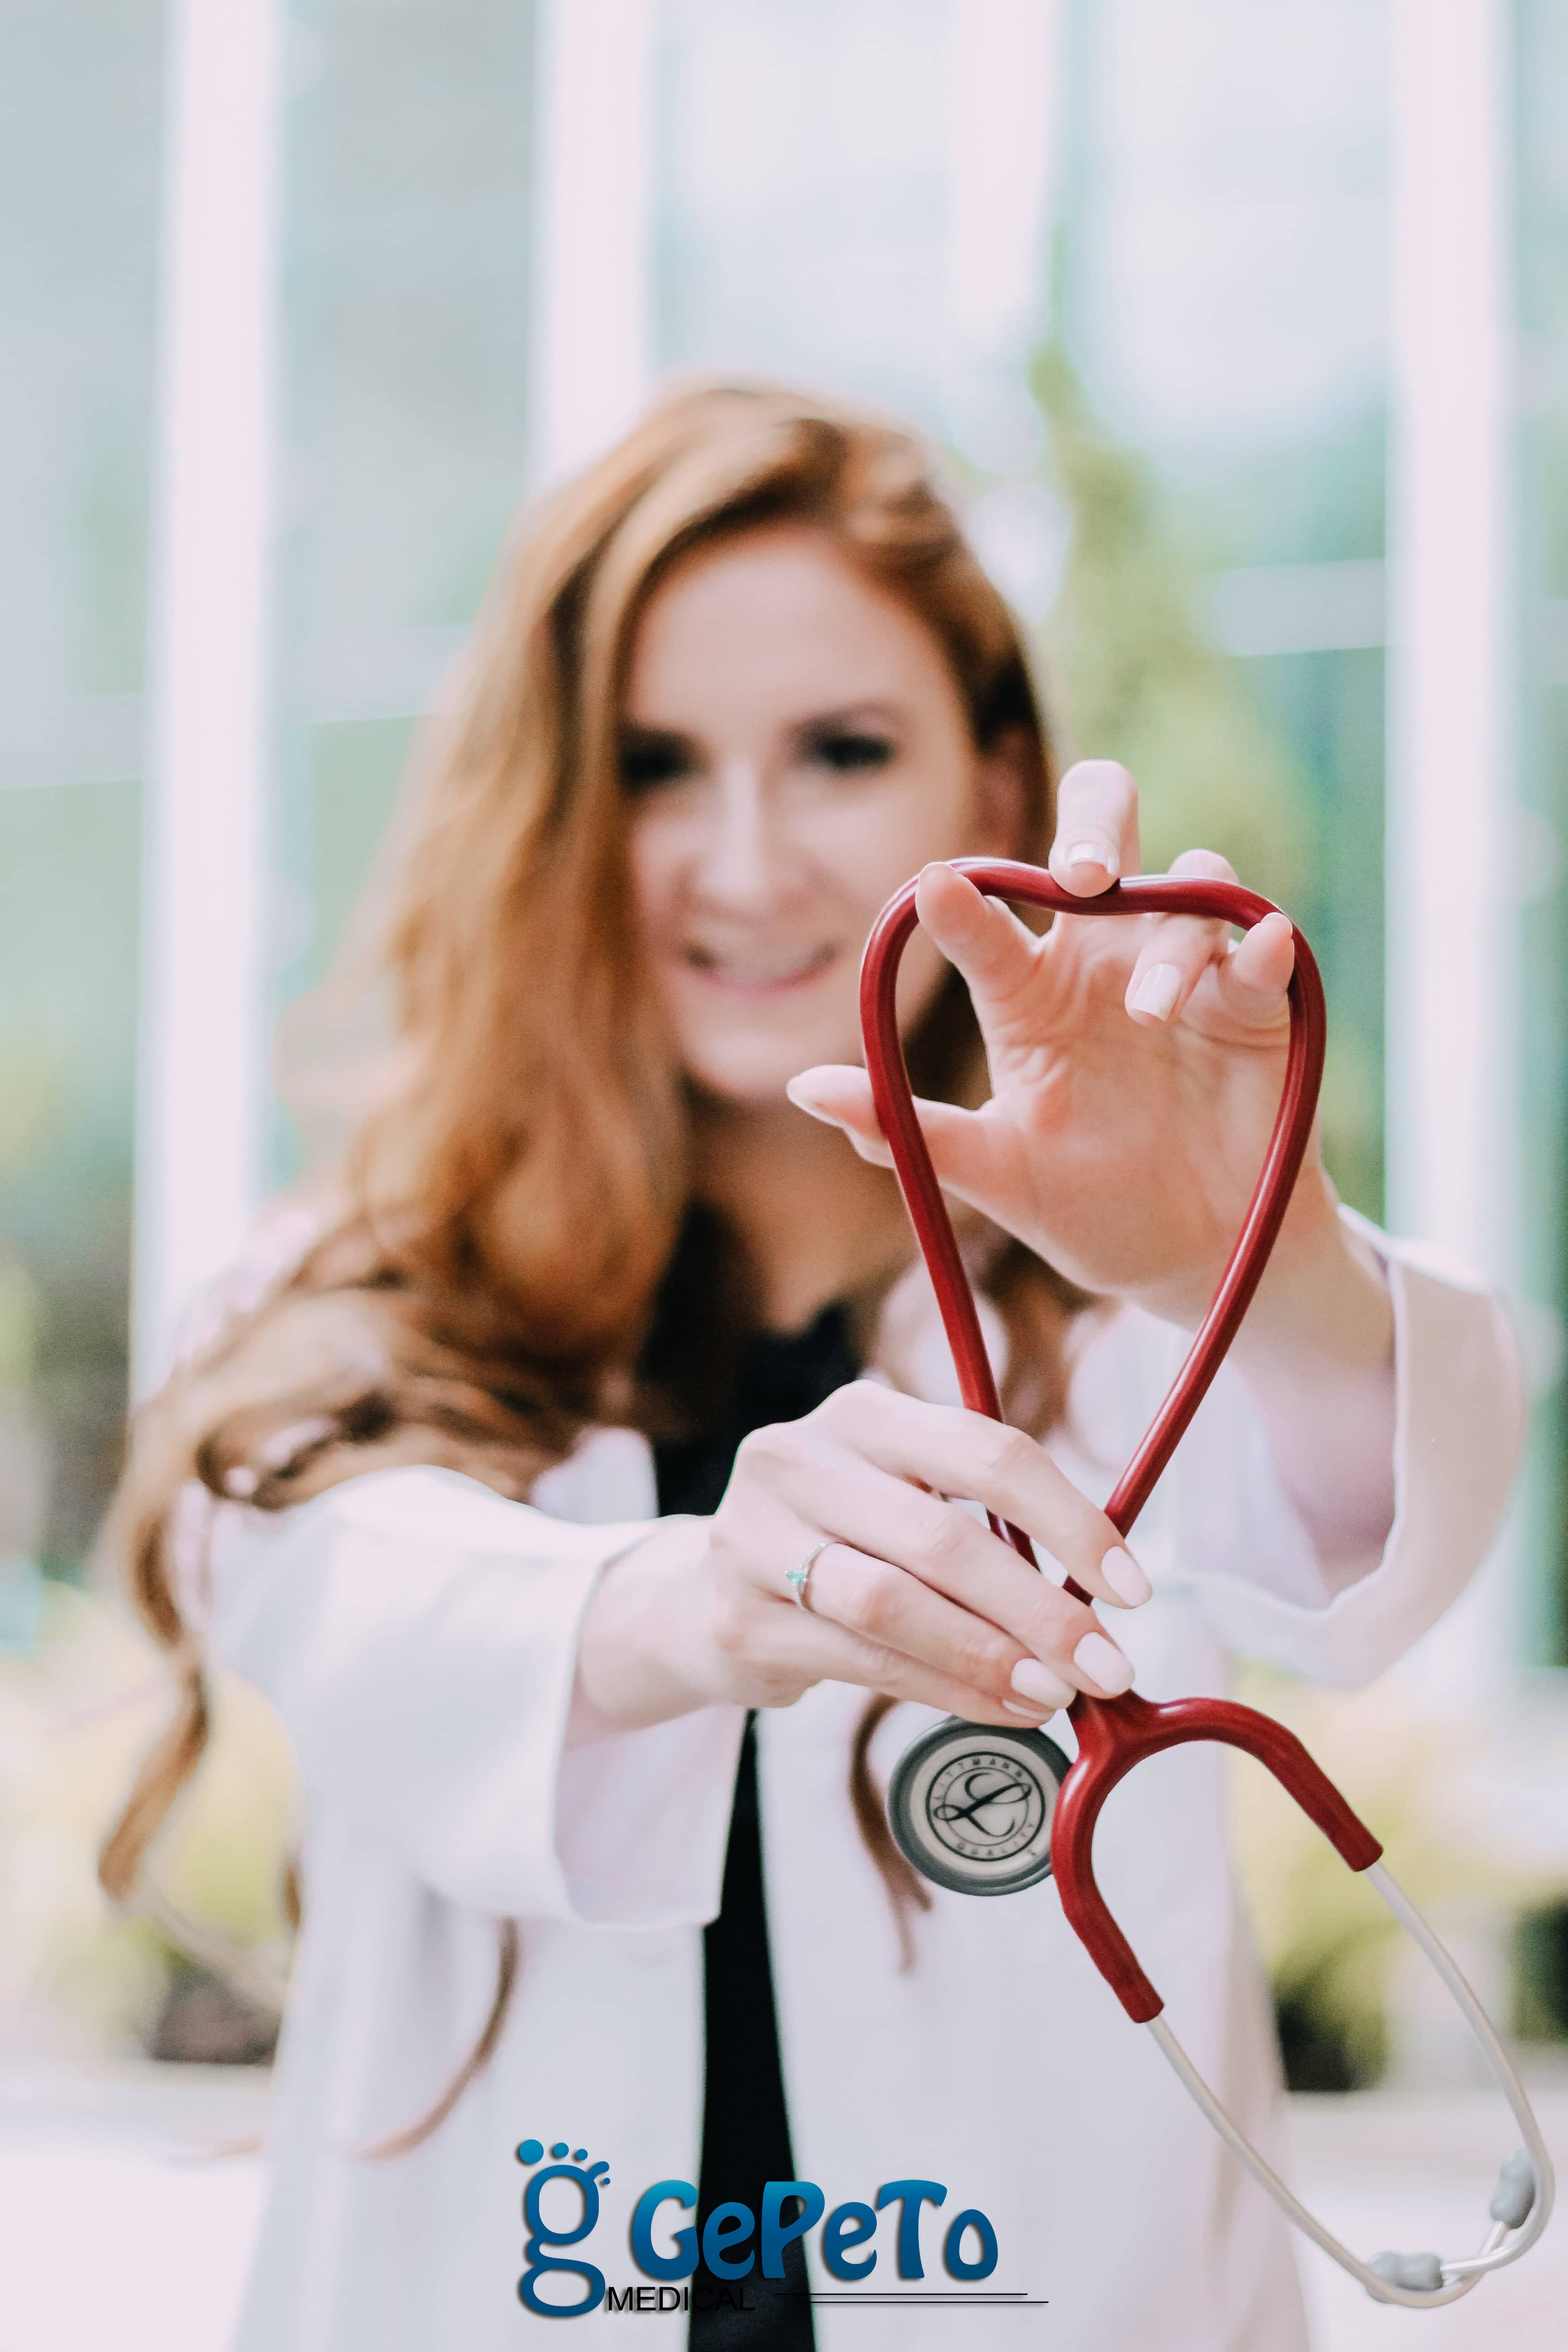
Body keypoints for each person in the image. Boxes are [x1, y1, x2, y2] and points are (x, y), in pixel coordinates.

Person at [102, 382, 1523, 2352]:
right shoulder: (346, 1306)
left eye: (843, 753)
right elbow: (368, 1615)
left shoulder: (1121, 1337)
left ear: (993, 779)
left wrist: (1252, 1255)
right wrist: (703, 1597)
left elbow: (1387, 1514)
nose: (747, 862)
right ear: (548, 814)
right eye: (654, 768)